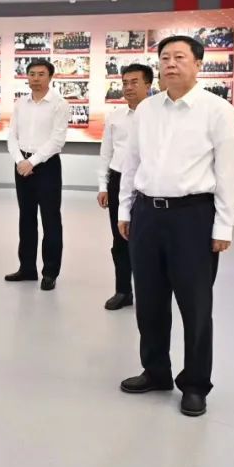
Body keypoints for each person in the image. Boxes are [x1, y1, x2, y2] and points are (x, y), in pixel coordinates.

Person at [117, 36, 234, 418]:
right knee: (149, 302)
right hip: (146, 214)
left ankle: (196, 384)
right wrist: (125, 210)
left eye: (180, 57)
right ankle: (156, 371)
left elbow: (228, 174)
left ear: (198, 64)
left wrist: (224, 227)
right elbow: (131, 163)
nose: (170, 64)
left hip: (193, 217)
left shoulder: (218, 111)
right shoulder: (146, 109)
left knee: (195, 305)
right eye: (165, 57)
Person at [5, 60, 69, 290]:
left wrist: (31, 162)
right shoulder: (21, 103)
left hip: (46, 166)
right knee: (26, 218)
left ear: (50, 77)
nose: (35, 78)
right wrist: (20, 161)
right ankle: (27, 268)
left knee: (51, 219)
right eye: (32, 74)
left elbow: (57, 140)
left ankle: (50, 272)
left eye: (41, 74)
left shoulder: (59, 104)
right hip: (22, 165)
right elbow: (12, 136)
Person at [96, 63, 153, 310]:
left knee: (148, 240)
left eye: (134, 82)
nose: (128, 87)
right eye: (125, 83)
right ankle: (123, 291)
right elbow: (106, 152)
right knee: (121, 237)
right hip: (119, 180)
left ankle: (150, 293)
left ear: (148, 85)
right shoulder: (115, 117)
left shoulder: (157, 115)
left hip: (149, 183)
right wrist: (103, 185)